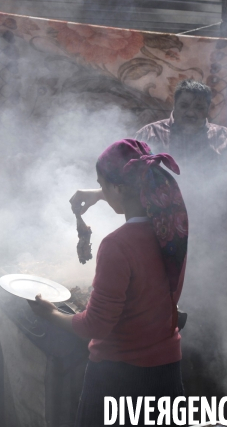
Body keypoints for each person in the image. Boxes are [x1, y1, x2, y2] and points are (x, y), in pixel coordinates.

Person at [29, 139, 188, 427]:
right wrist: (102, 194)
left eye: (103, 183)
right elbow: (129, 193)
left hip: (121, 379)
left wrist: (50, 313)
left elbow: (95, 326)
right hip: (166, 372)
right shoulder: (173, 225)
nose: (100, 189)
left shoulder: (117, 245)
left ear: (121, 188)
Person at [70, 79, 227, 215]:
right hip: (159, 228)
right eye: (184, 106)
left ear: (208, 110)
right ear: (174, 105)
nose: (191, 113)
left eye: (199, 107)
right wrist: (99, 194)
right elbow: (129, 181)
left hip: (214, 232)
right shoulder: (149, 135)